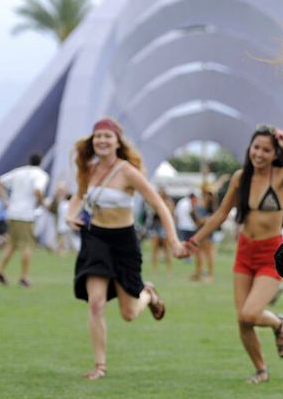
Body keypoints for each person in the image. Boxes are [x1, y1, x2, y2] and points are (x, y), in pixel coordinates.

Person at [179, 125, 283, 384]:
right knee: (242, 321)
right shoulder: (240, 177)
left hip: (270, 253)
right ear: (249, 149)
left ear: (274, 152)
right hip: (244, 252)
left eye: (267, 150)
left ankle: (278, 323)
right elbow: (221, 214)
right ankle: (261, 370)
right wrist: (193, 241)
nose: (260, 154)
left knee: (250, 314)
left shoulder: (282, 175)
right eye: (256, 148)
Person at [66, 117, 186, 380]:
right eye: (98, 136)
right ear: (92, 141)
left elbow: (160, 206)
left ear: (117, 142)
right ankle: (100, 366)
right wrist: (70, 215)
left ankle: (148, 295)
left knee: (129, 313)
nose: (102, 141)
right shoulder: (88, 168)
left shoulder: (128, 172)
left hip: (124, 243)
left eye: (107, 137)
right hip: (95, 239)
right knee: (96, 304)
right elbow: (78, 195)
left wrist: (174, 241)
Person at [0, 154, 49, 287]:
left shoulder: (19, 171)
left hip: (12, 212)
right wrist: (42, 203)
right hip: (26, 214)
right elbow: (38, 190)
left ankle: (0, 272)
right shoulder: (41, 174)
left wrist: (5, 200)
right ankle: (24, 277)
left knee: (11, 245)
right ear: (40, 163)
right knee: (27, 246)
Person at [145, 188, 175, 273]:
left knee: (166, 248)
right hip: (155, 226)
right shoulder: (153, 202)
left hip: (164, 227)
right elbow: (152, 212)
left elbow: (170, 213)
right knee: (154, 248)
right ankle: (155, 269)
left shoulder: (168, 202)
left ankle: (169, 269)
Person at [191, 187, 217, 282]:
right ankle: (198, 273)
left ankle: (210, 275)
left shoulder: (212, 209)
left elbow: (205, 221)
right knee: (198, 253)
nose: (206, 197)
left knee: (208, 254)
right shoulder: (199, 207)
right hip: (199, 232)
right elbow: (198, 221)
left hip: (207, 234)